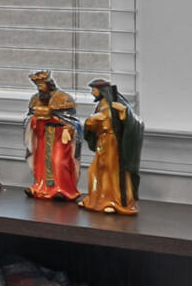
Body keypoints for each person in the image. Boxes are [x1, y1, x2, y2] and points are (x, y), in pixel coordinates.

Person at [81, 78, 142, 215]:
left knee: (111, 171)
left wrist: (124, 113)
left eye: (94, 90)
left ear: (101, 91)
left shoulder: (116, 103)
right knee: (96, 171)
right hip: (103, 142)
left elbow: (134, 123)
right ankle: (96, 199)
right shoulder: (101, 104)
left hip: (112, 142)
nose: (92, 93)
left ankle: (112, 201)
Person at [26, 71, 82, 203]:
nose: (40, 89)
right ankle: (40, 187)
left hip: (59, 137)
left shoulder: (63, 98)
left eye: (42, 85)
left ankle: (62, 189)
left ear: (49, 84)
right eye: (38, 86)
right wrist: (34, 119)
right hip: (42, 136)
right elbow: (28, 118)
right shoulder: (35, 99)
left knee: (58, 162)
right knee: (41, 164)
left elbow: (73, 121)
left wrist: (68, 127)